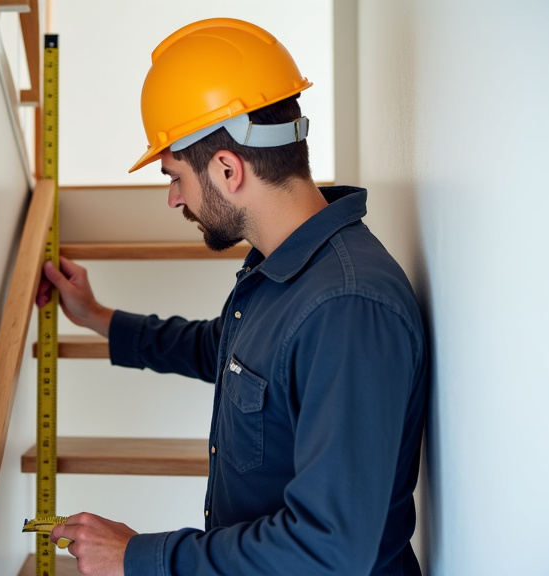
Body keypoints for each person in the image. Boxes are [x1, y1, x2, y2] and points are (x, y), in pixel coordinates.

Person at [36, 18, 429, 576]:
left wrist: (139, 557)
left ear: (227, 168)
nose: (174, 199)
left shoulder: (346, 305)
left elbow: (330, 550)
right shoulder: (284, 274)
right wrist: (97, 317)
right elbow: (218, 349)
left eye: (175, 177)